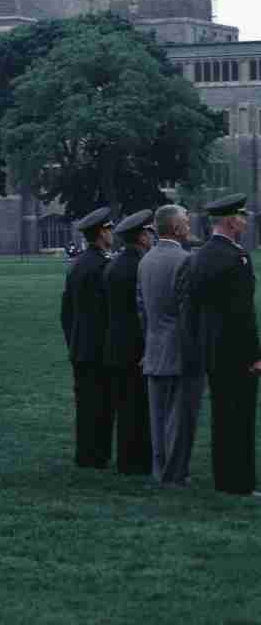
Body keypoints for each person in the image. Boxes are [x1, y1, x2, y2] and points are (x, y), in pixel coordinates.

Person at [190, 193, 261, 496]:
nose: (245, 221)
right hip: (237, 350)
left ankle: (224, 479)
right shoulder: (238, 257)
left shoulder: (200, 255)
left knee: (222, 416)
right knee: (241, 417)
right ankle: (240, 483)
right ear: (232, 221)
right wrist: (255, 355)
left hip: (211, 347)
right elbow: (242, 313)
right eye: (242, 216)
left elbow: (193, 305)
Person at [137, 204, 204, 487]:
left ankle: (159, 469)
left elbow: (141, 309)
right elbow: (188, 311)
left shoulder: (146, 260)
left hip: (154, 347)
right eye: (186, 222)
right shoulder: (186, 260)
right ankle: (175, 476)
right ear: (176, 228)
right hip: (180, 349)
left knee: (158, 417)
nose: (189, 227)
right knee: (181, 418)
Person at [61, 206, 115, 468]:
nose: (112, 234)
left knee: (85, 403)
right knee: (102, 404)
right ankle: (98, 454)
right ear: (101, 233)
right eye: (109, 229)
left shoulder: (77, 265)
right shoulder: (104, 266)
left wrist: (72, 340)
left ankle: (84, 453)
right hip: (100, 346)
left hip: (79, 344)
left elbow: (66, 312)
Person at [104, 210, 153, 475]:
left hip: (115, 341)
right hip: (135, 344)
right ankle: (138, 461)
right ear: (142, 236)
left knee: (125, 405)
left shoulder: (114, 264)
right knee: (138, 405)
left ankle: (126, 459)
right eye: (148, 233)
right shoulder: (140, 265)